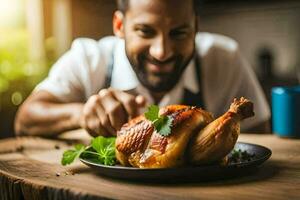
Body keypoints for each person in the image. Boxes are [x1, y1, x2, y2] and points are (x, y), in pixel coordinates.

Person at [14, 0, 270, 137]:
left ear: (195, 27)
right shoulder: (88, 58)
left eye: (179, 33)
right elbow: (26, 118)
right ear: (119, 26)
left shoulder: (224, 58)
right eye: (145, 31)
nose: (162, 52)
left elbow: (260, 139)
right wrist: (81, 114)